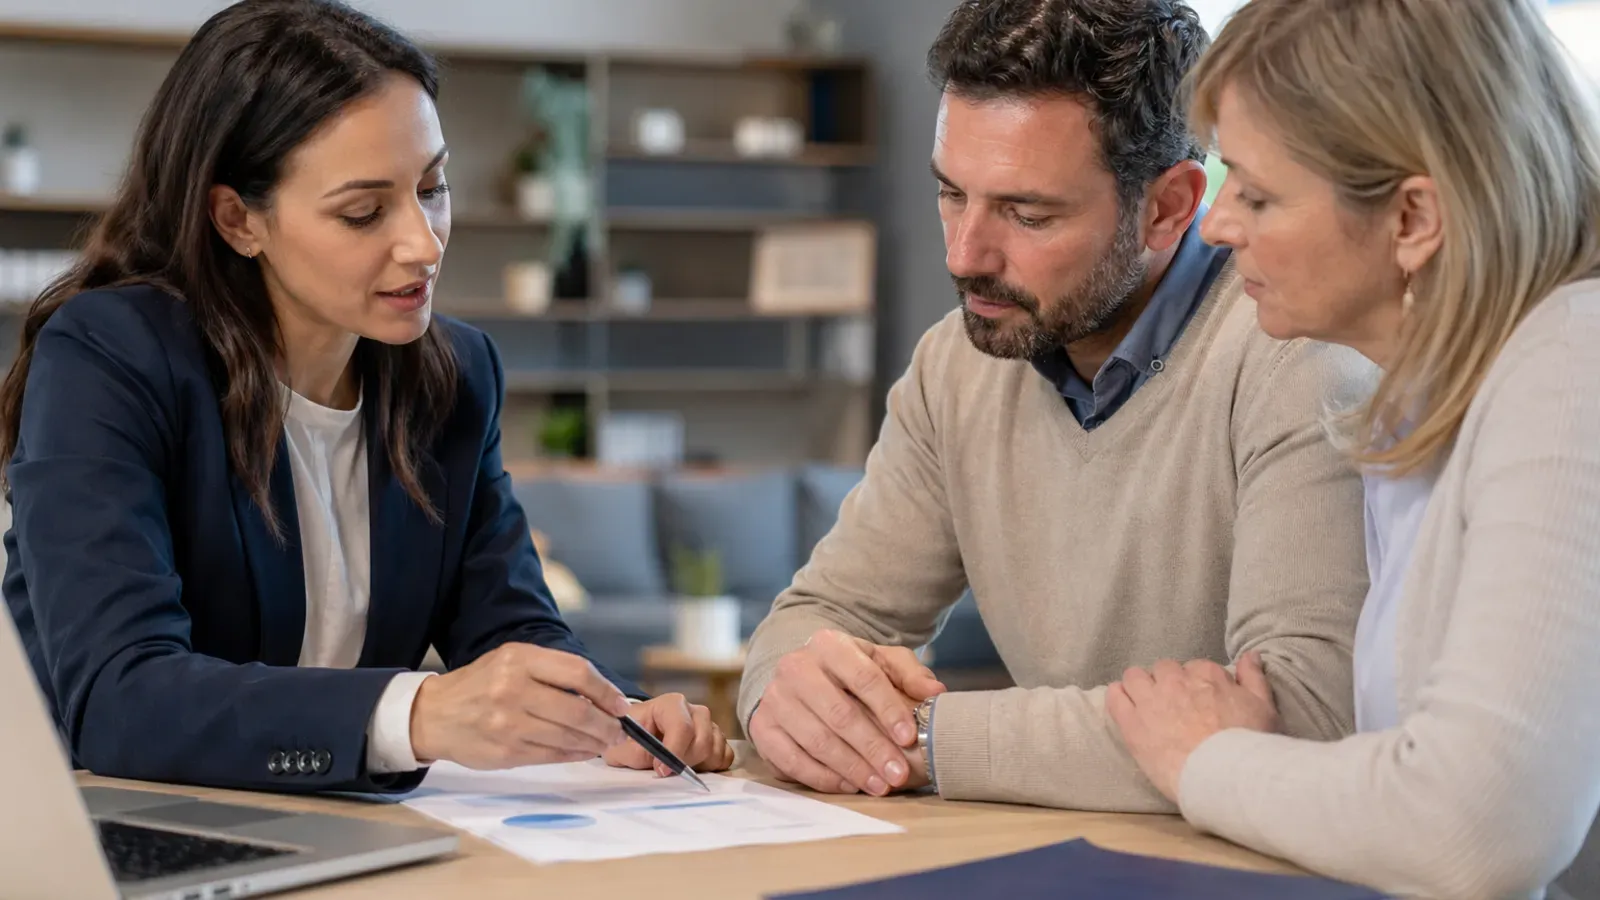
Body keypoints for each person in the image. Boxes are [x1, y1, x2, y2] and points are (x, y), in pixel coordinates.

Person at [0, 0, 733, 796]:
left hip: (346, 830)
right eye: (363, 211)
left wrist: (609, 715)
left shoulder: (453, 376)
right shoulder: (110, 356)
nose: (423, 243)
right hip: (104, 826)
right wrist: (419, 714)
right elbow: (119, 700)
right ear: (238, 219)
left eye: (433, 187)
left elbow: (511, 629)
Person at [737, 0, 1376, 813]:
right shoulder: (956, 364)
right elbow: (822, 618)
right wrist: (787, 697)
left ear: (1170, 207)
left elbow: (1304, 719)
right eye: (950, 194)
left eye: (1025, 212)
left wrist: (929, 740)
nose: (964, 255)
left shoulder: (1300, 356)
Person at [1104, 0, 1600, 896]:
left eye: (1255, 193)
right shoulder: (1428, 404)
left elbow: (1479, 827)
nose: (1217, 225)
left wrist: (1206, 760)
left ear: (1412, 218)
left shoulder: (1574, 364)